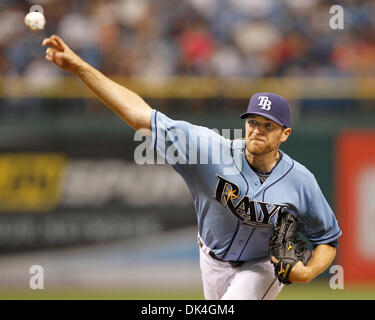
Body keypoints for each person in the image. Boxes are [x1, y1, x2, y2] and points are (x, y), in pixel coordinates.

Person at [42, 35, 342, 300]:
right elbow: (139, 115)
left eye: (268, 126)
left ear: (285, 134)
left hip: (261, 266)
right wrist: (79, 67)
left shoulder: (301, 181)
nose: (257, 130)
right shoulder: (208, 149)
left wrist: (309, 271)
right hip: (210, 258)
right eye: (253, 122)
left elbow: (326, 240)